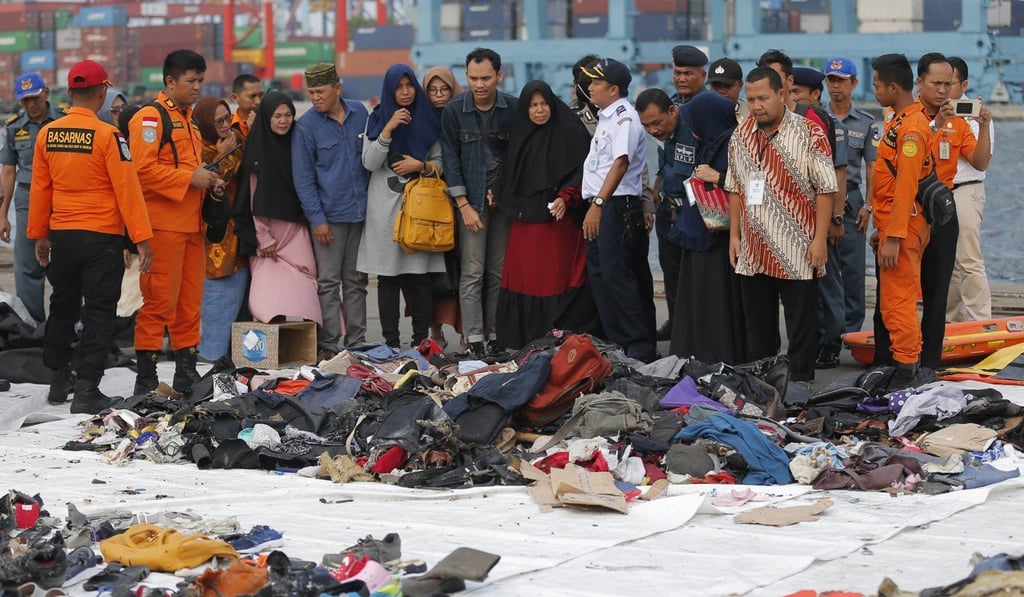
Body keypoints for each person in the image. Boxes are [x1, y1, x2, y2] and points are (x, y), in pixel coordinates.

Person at [27, 60, 153, 413]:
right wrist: (141, 239)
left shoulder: (47, 134)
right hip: (101, 238)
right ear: (102, 93)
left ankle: (57, 379)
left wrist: (39, 235)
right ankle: (86, 390)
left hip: (62, 235)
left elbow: (40, 189)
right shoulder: (109, 136)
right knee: (98, 311)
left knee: (62, 305)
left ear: (68, 93)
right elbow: (127, 189)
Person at [725, 67, 836, 383]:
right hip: (754, 247)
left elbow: (826, 189)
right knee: (758, 325)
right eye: (751, 99)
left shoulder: (809, 133)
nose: (756, 106)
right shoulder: (741, 135)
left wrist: (819, 240)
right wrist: (735, 235)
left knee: (801, 324)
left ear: (782, 95)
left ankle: (800, 384)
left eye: (763, 98)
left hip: (797, 246)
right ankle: (763, 382)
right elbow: (734, 188)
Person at [129, 49, 224, 395]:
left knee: (188, 304)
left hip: (191, 227)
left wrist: (209, 183)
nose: (197, 87)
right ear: (170, 81)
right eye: (191, 81)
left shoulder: (189, 121)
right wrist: (190, 178)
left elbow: (186, 169)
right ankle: (147, 377)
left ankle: (185, 371)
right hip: (163, 227)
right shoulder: (150, 119)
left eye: (201, 80)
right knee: (158, 303)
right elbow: (141, 170)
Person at [639, 89, 745, 364]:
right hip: (696, 231)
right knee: (695, 297)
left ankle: (716, 354)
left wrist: (718, 177)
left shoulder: (735, 146)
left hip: (719, 237)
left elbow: (749, 186)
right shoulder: (709, 144)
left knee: (716, 301)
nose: (694, 131)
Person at [494, 80, 597, 349]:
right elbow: (509, 172)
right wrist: (496, 190)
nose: (539, 110)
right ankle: (522, 339)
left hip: (558, 222)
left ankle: (555, 336)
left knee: (554, 278)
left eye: (544, 104)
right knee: (524, 276)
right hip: (524, 221)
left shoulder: (571, 133)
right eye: (533, 105)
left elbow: (583, 170)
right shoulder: (520, 136)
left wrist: (566, 196)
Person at [359, 64, 445, 349]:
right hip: (384, 211)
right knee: (388, 278)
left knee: (419, 277)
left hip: (421, 210)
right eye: (399, 86)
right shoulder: (377, 118)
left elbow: (442, 163)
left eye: (410, 85)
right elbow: (369, 162)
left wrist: (420, 165)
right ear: (390, 89)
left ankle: (421, 342)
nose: (406, 92)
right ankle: (391, 345)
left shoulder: (430, 118)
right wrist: (389, 127)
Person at [439, 48, 518, 357]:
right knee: (472, 270)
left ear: (499, 75)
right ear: (466, 76)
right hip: (469, 201)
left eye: (486, 77)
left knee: (498, 271)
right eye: (473, 78)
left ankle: (496, 336)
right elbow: (450, 159)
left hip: (504, 203)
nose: (480, 84)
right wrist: (464, 206)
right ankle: (473, 340)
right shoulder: (454, 110)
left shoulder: (513, 108)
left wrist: (505, 191)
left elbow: (519, 157)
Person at [579, 58, 656, 362]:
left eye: (596, 83)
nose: (590, 87)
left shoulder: (624, 117)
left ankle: (638, 349)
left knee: (618, 279)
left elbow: (621, 163)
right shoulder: (607, 116)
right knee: (601, 278)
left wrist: (598, 204)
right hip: (602, 205)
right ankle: (618, 347)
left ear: (613, 89)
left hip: (614, 206)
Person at [292, 63, 370, 360]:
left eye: (320, 91)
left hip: (360, 214)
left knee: (356, 281)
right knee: (328, 282)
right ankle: (330, 343)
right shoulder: (306, 127)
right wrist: (317, 220)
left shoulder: (360, 113)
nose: (314, 98)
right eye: (310, 92)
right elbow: (304, 178)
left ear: (337, 88)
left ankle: (359, 341)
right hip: (329, 218)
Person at [869, 53, 933, 389]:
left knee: (898, 302)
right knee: (894, 301)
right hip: (895, 225)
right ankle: (905, 363)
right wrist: (882, 231)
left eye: (877, 85)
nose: (874, 90)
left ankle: (907, 370)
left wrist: (892, 236)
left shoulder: (910, 129)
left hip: (904, 229)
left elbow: (906, 186)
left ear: (893, 86)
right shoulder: (901, 120)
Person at [234, 92, 321, 326]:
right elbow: (253, 196)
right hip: (269, 234)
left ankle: (310, 338)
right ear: (266, 118)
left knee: (306, 279)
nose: (283, 121)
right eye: (277, 116)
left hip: (295, 229)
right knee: (269, 290)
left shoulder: (298, 145)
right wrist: (263, 236)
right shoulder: (258, 151)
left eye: (288, 115)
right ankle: (272, 342)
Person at [791, 66, 852, 370]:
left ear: (815, 94)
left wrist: (836, 219)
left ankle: (831, 343)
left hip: (824, 215)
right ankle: (812, 342)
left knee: (829, 284)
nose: (792, 98)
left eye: (797, 92)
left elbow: (838, 173)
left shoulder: (827, 124)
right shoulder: (789, 123)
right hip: (798, 217)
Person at [0, 72, 66, 325]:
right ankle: (33, 328)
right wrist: (2, 215)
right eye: (25, 100)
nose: (31, 105)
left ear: (46, 93)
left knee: (64, 264)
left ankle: (64, 326)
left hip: (61, 199)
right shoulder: (14, 127)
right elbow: (8, 172)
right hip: (27, 199)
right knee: (27, 268)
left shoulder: (64, 120)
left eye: (35, 98)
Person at [824, 57, 880, 336]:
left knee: (854, 269)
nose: (835, 86)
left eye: (841, 81)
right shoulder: (818, 119)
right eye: (831, 80)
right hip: (823, 200)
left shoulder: (867, 123)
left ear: (854, 84)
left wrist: (869, 206)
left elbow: (872, 167)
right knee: (823, 268)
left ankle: (853, 329)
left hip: (854, 201)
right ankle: (828, 328)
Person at [656, 45, 708, 339]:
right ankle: (676, 322)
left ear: (703, 74)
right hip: (667, 203)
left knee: (694, 274)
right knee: (671, 270)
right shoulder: (672, 105)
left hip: (691, 206)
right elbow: (667, 154)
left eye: (688, 73)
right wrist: (657, 188)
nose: (681, 78)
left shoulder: (705, 109)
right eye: (677, 72)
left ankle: (693, 328)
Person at [192, 97, 248, 362]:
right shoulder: (196, 147)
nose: (226, 125)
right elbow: (214, 181)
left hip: (237, 233)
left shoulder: (236, 139)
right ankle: (210, 358)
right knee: (215, 305)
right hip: (208, 236)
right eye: (219, 121)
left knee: (238, 305)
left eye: (228, 117)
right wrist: (219, 154)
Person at [946, 56, 994, 322]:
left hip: (966, 189)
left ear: (963, 83)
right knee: (947, 264)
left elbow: (982, 159)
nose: (944, 89)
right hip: (941, 190)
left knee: (969, 259)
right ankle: (951, 321)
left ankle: (980, 320)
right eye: (938, 83)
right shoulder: (936, 115)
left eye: (949, 83)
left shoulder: (978, 118)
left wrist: (982, 124)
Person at [421, 66, 464, 348]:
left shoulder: (463, 116)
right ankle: (434, 334)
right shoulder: (419, 121)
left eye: (444, 90)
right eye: (432, 91)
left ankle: (465, 332)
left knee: (462, 271)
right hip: (427, 208)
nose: (439, 96)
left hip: (459, 202)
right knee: (430, 274)